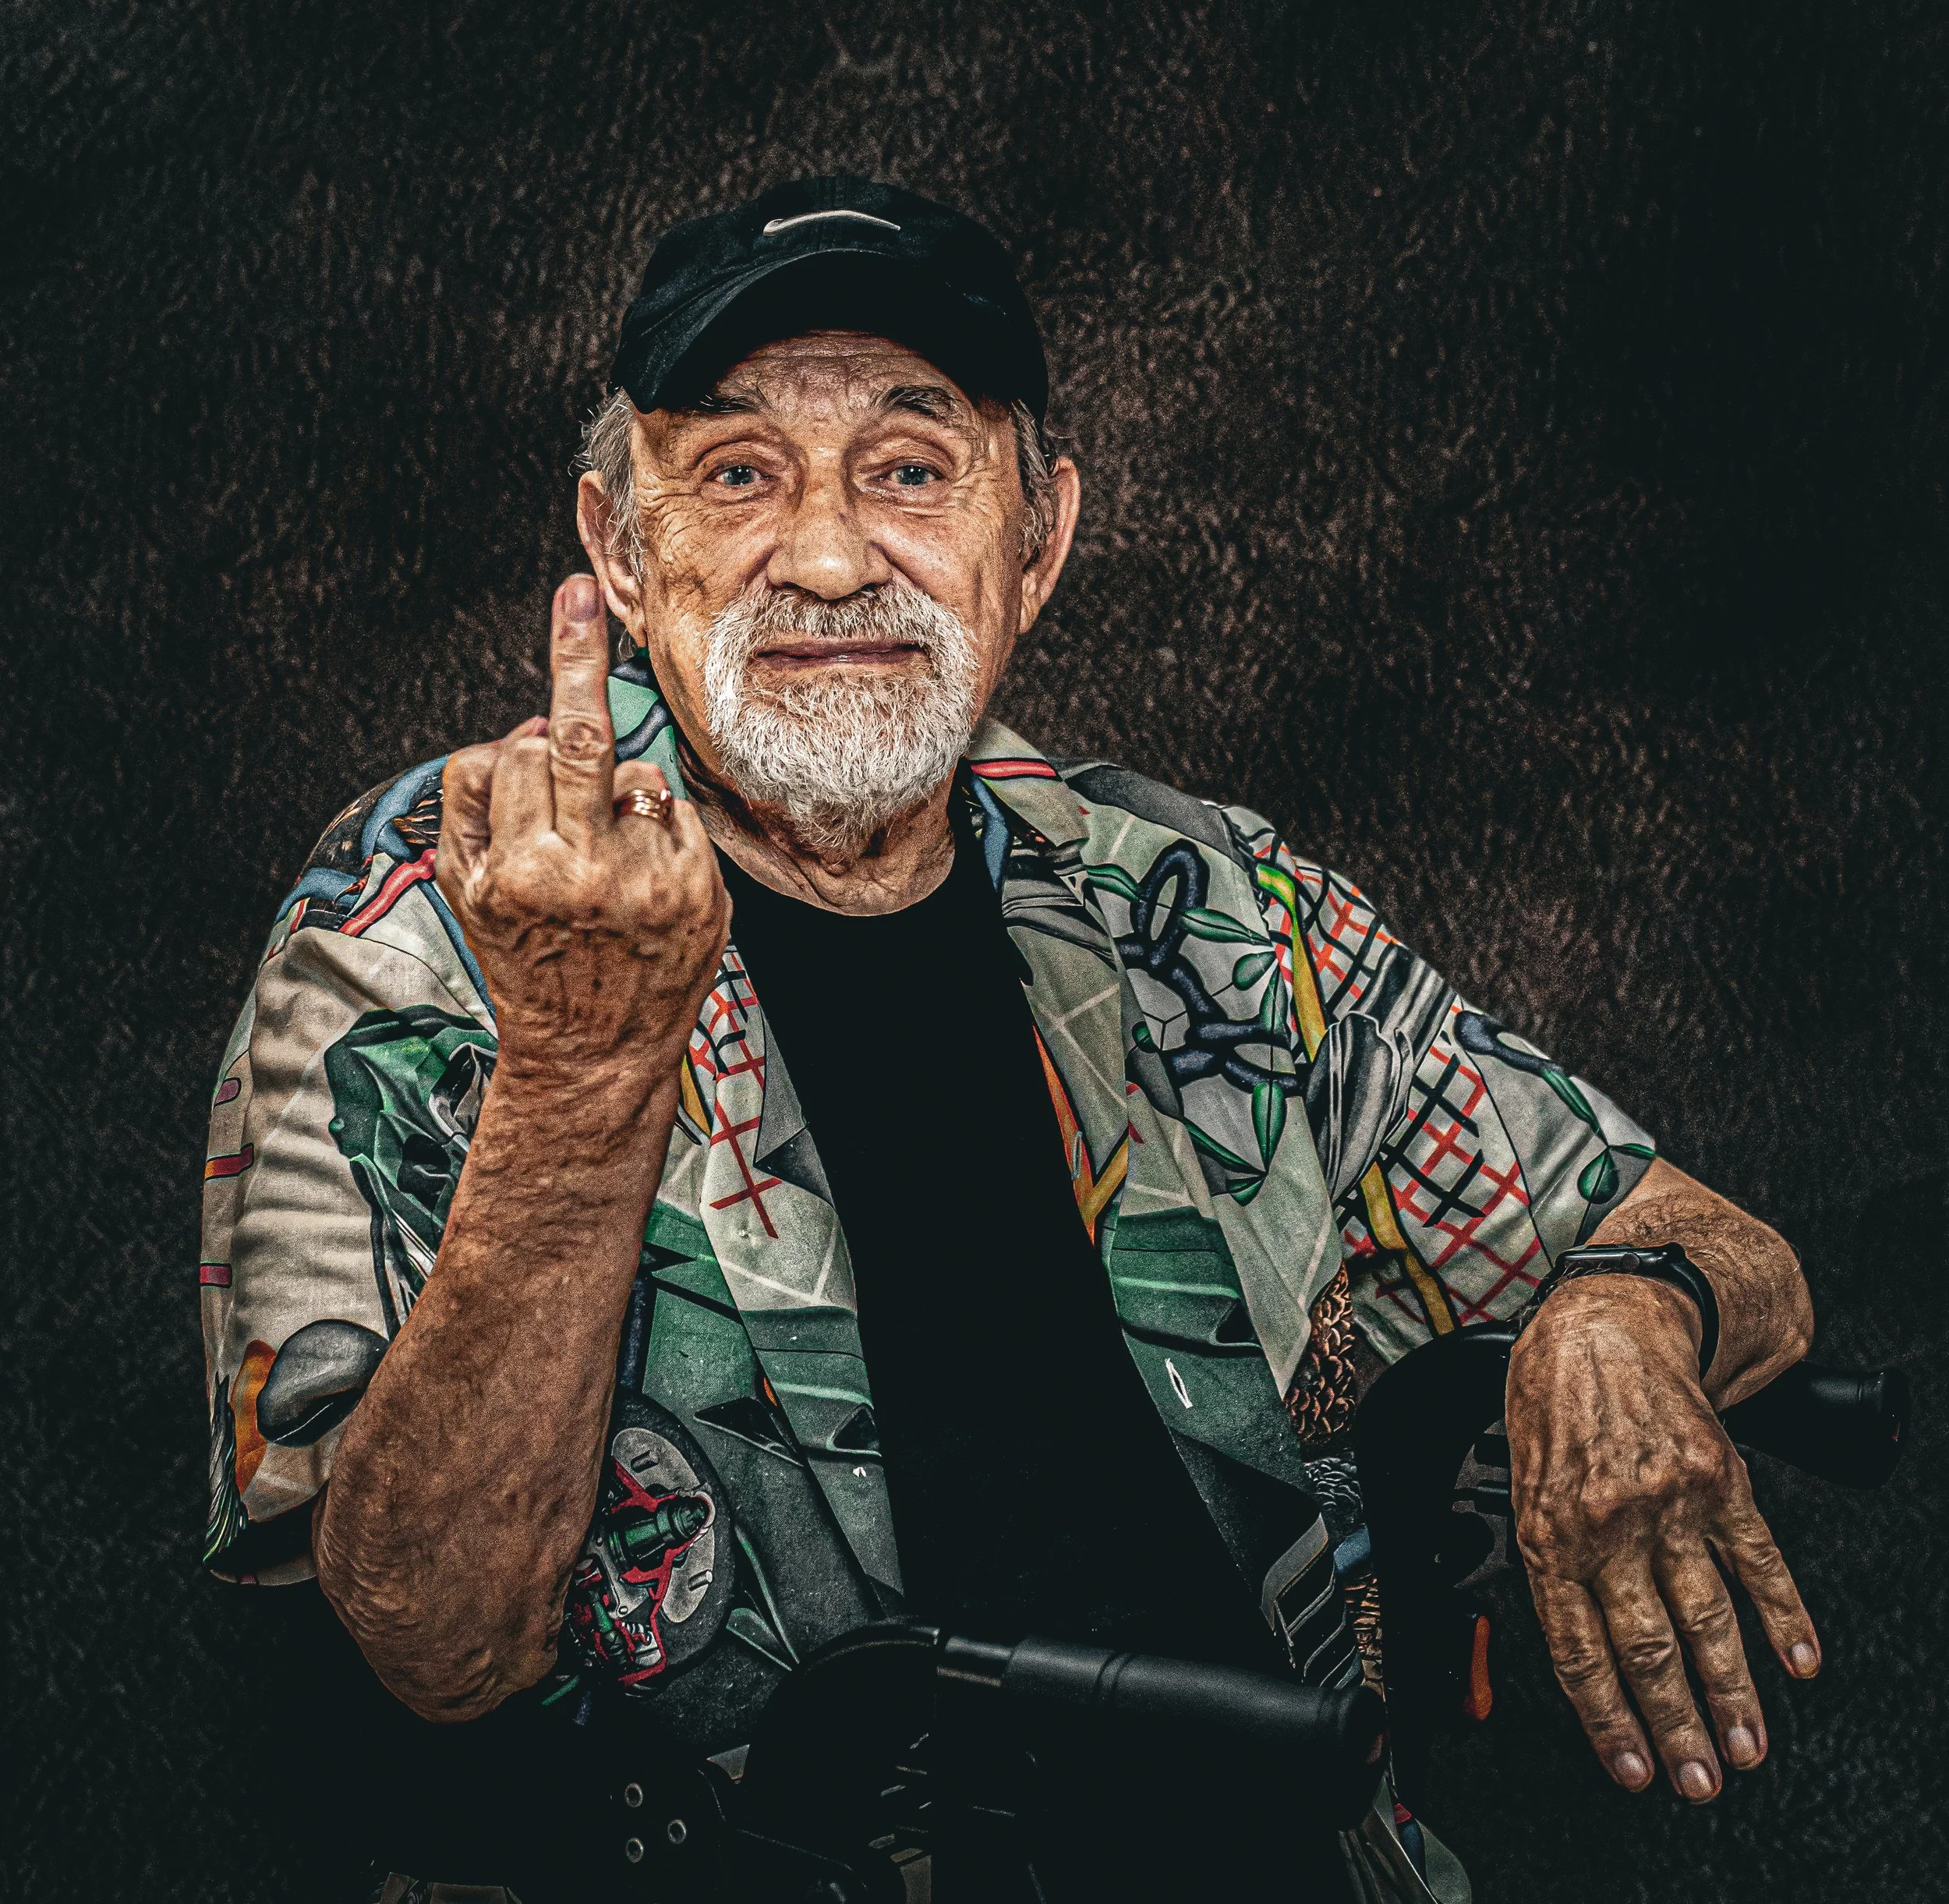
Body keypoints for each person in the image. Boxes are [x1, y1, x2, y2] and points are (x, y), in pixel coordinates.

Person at [200, 176, 1821, 1903]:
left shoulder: (1190, 898)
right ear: (616, 544)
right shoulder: (430, 918)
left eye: (907, 468)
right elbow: (426, 1640)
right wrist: (583, 1074)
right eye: (738, 472)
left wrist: (1617, 1311)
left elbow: (1733, 1255)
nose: (826, 556)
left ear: (1034, 540)